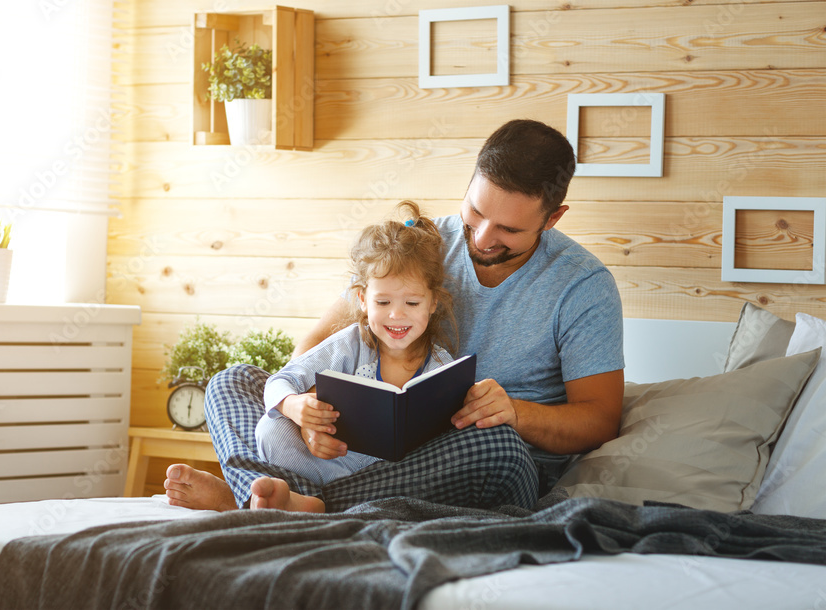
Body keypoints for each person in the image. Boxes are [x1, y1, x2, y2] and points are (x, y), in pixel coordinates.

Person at [164, 119, 625, 513]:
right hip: (357, 448)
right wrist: (307, 415)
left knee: (500, 451)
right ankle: (281, 499)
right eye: (476, 211)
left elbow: (600, 420)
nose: (483, 238)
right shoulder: (418, 245)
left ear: (552, 218)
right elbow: (311, 349)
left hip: (467, 456)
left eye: (509, 229)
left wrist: (516, 414)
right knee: (233, 382)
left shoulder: (583, 286)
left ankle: (261, 499)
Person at [254, 201, 474, 506]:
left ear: (432, 302)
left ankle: (309, 503)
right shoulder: (349, 344)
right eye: (383, 303)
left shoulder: (441, 366)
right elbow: (280, 380)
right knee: (270, 428)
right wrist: (294, 407)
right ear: (362, 300)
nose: (397, 316)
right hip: (327, 463)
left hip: (396, 478)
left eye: (412, 303)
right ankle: (310, 500)